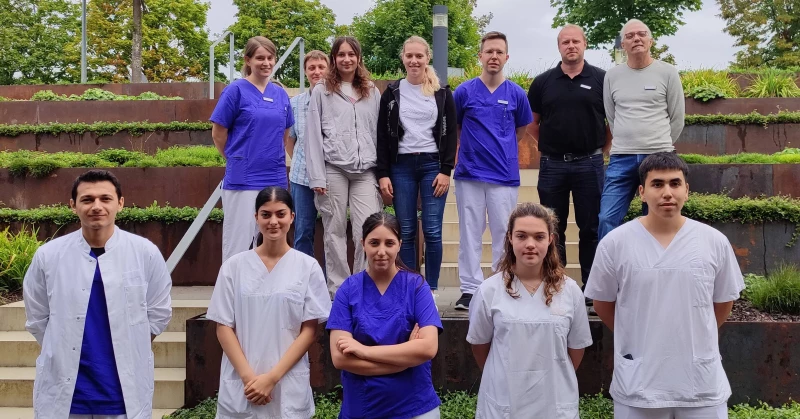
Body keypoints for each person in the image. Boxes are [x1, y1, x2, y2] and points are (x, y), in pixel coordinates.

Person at [585, 152, 745, 419]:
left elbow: (723, 302)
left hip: (699, 383)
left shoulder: (713, 242)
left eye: (675, 183)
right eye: (657, 184)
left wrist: (691, 332)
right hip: (639, 382)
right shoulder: (616, 243)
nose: (667, 192)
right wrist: (637, 333)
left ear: (687, 191)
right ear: (642, 192)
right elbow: (602, 303)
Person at [23, 169, 173, 419]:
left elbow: (158, 313)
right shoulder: (49, 256)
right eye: (87, 199)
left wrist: (130, 344)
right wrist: (62, 344)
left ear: (120, 203)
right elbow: (38, 318)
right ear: (73, 205)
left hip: (122, 392)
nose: (97, 206)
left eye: (105, 198)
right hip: (67, 393)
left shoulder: (144, 253)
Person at [206, 186, 331, 419]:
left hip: (287, 382)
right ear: (256, 218)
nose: (273, 221)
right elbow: (223, 326)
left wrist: (271, 378)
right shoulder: (234, 267)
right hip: (243, 383)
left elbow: (310, 330)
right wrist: (250, 380)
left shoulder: (307, 267)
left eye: (280, 214)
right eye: (266, 214)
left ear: (292, 217)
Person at [467, 203, 592, 418]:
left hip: (555, 400)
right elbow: (480, 346)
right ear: (510, 238)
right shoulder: (489, 291)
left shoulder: (570, 291)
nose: (530, 244)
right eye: (522, 236)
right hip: (504, 401)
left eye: (539, 237)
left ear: (551, 239)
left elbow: (576, 349)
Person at [327, 212, 443, 419]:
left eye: (389, 243)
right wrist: (406, 359)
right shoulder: (348, 290)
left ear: (399, 244)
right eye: (374, 243)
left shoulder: (416, 286)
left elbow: (428, 347)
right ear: (363, 243)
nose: (381, 251)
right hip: (363, 408)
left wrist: (363, 351)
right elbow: (340, 359)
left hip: (414, 408)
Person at [527, 24, 609, 299]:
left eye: (576, 41)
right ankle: (557, 284)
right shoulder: (542, 82)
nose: (571, 46)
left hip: (590, 164)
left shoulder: (602, 79)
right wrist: (550, 147)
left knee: (591, 227)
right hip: (553, 166)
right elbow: (532, 124)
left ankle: (592, 288)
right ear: (559, 47)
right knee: (552, 228)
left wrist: (600, 149)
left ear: (585, 44)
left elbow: (611, 122)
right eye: (565, 42)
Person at [453, 31, 533, 310]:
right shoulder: (463, 92)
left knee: (503, 233)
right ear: (480, 56)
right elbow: (457, 128)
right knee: (470, 233)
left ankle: (502, 283)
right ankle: (470, 289)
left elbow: (521, 130)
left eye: (499, 52)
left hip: (504, 176)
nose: (494, 56)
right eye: (489, 51)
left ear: (506, 57)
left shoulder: (516, 94)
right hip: (470, 174)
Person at [376, 35, 457, 293]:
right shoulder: (391, 93)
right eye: (409, 56)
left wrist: (446, 170)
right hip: (401, 167)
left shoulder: (442, 93)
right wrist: (383, 174)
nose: (414, 60)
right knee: (407, 230)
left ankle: (430, 290)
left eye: (419, 56)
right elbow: (381, 135)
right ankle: (412, 288)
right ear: (403, 58)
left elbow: (451, 133)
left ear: (427, 58)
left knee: (432, 231)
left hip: (433, 165)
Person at [305, 36, 383, 295]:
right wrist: (316, 176)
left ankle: (364, 284)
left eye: (351, 54)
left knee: (367, 229)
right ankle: (338, 288)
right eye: (341, 55)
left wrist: (383, 174)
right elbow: (313, 135)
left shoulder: (371, 91)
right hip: (333, 169)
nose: (346, 59)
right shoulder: (322, 91)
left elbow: (379, 133)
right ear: (333, 59)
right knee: (334, 230)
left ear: (359, 58)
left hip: (365, 171)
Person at [599, 19, 685, 240]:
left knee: (657, 218)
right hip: (621, 157)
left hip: (658, 156)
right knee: (607, 218)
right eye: (629, 36)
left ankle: (655, 270)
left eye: (641, 34)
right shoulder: (612, 76)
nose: (636, 38)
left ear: (650, 40)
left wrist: (660, 144)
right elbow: (612, 116)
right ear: (623, 45)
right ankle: (609, 273)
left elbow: (677, 118)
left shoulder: (668, 72)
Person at [210, 36, 294, 262]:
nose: (266, 63)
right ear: (248, 60)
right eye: (260, 58)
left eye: (270, 58)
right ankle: (234, 294)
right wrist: (236, 158)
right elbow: (218, 133)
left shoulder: (280, 94)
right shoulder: (235, 91)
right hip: (243, 178)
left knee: (274, 239)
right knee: (238, 244)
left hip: (274, 176)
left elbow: (284, 133)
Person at [288, 50, 330, 257]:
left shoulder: (336, 101)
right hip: (302, 179)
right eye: (311, 68)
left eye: (321, 67)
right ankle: (304, 282)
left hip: (331, 177)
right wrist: (301, 160)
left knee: (333, 231)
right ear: (305, 72)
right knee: (303, 231)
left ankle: (330, 283)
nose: (317, 72)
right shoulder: (295, 103)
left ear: (329, 69)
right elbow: (290, 139)